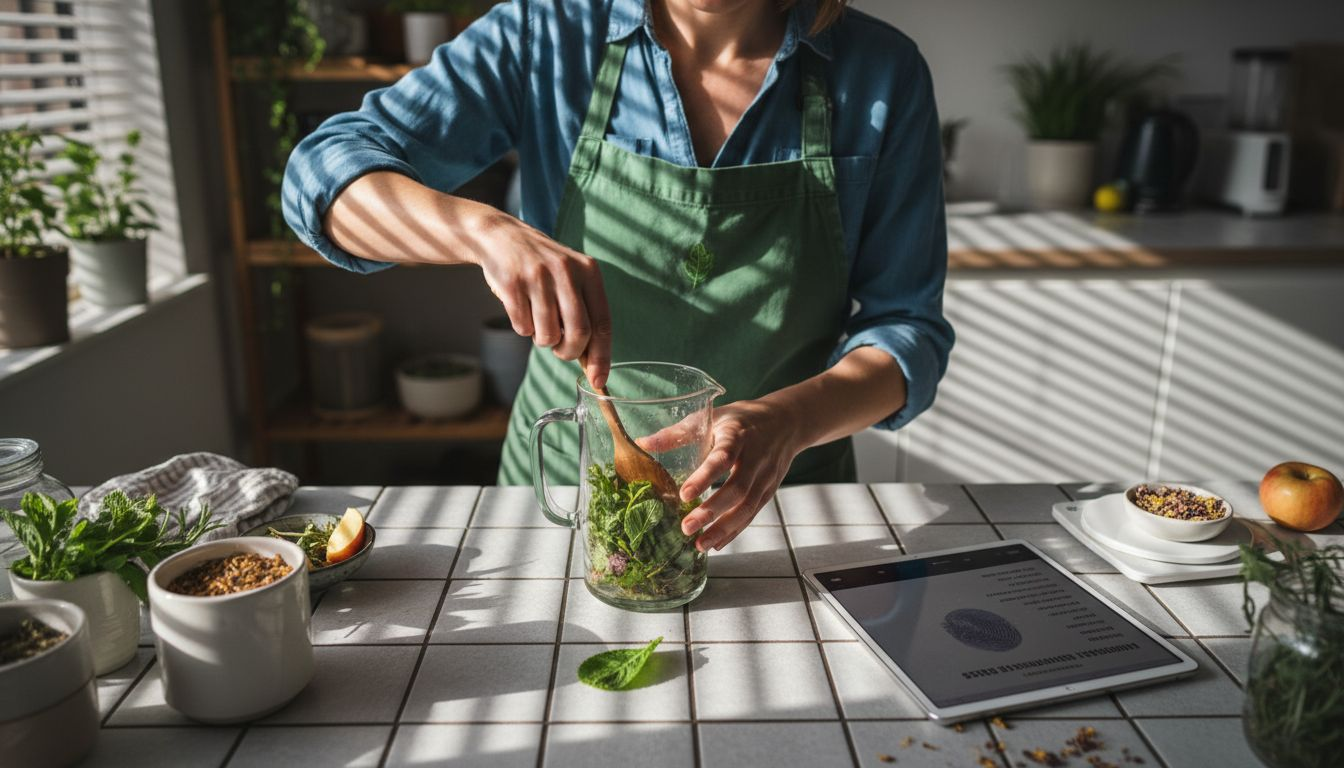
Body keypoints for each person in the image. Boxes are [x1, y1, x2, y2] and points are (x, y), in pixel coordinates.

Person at [282, 0, 954, 552]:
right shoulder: (547, 33)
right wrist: (484, 231)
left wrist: (789, 422)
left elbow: (907, 331)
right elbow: (323, 174)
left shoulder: (879, 72)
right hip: (565, 503)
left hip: (789, 513)